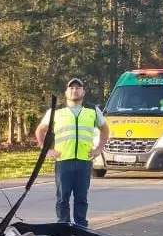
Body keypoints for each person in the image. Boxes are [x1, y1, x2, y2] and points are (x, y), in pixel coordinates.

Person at [34, 77, 110, 227]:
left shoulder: (92, 110)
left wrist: (99, 149)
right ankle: (64, 227)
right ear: (66, 92)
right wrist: (46, 151)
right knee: (62, 198)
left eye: (78, 88)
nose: (75, 91)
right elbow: (40, 131)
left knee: (81, 198)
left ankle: (81, 228)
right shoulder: (56, 111)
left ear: (83, 91)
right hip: (64, 161)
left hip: (84, 161)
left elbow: (105, 130)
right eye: (72, 88)